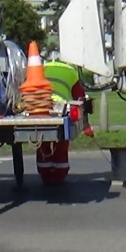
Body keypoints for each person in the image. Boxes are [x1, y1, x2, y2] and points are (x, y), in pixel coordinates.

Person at [35, 57, 88, 185]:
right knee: (62, 142)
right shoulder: (72, 72)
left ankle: (45, 173)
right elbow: (79, 97)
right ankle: (60, 174)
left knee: (42, 141)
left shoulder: (42, 69)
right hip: (62, 109)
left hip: (42, 107)